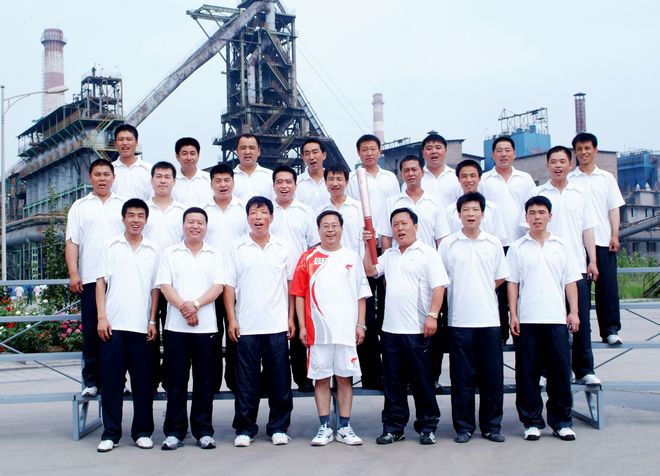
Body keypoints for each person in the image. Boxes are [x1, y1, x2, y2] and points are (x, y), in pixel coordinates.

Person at [363, 208, 448, 445]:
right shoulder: (389, 255)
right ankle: (394, 427)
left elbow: (439, 286)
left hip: (418, 330)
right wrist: (368, 245)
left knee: (422, 382)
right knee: (393, 383)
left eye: (404, 223)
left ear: (416, 227)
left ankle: (427, 426)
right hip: (391, 330)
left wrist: (432, 315)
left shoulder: (427, 253)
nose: (400, 228)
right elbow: (370, 270)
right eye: (395, 225)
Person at [290, 210, 372, 446]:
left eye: (334, 225)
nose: (330, 230)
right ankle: (325, 426)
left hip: (346, 330)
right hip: (318, 332)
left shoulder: (352, 257)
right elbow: (299, 294)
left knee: (345, 378)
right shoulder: (308, 258)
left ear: (342, 229)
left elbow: (361, 295)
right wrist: (302, 326)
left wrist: (361, 324)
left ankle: (344, 427)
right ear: (318, 230)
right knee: (322, 379)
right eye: (325, 226)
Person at [507, 195, 582, 442]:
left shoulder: (561, 246)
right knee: (527, 373)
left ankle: (561, 422)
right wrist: (514, 314)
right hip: (527, 320)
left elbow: (570, 281)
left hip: (556, 319)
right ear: (526, 217)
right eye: (532, 213)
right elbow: (513, 283)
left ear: (550, 216)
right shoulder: (518, 247)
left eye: (541, 212)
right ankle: (531, 422)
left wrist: (573, 311)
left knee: (559, 373)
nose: (537, 217)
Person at [225, 196, 295, 447]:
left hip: (276, 325)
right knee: (246, 381)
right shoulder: (236, 247)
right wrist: (232, 318)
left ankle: (278, 427)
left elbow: (290, 285)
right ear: (247, 218)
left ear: (271, 218)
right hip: (247, 325)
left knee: (280, 380)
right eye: (253, 213)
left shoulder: (283, 246)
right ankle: (245, 428)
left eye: (263, 212)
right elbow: (229, 286)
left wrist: (290, 317)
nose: (258, 217)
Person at [439, 192, 508, 444]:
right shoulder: (448, 244)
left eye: (475, 210)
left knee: (492, 377)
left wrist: (481, 288)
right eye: (466, 210)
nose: (470, 214)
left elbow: (500, 276)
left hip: (489, 320)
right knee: (462, 378)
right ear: (458, 214)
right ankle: (464, 427)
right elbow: (441, 279)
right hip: (459, 320)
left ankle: (491, 426)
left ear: (482, 213)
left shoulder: (493, 243)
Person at [157, 207, 224, 451]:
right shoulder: (170, 253)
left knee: (204, 382)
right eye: (190, 222)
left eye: (199, 222)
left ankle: (203, 431)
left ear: (206, 227)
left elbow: (218, 286)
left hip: (206, 328)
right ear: (183, 225)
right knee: (176, 381)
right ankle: (174, 432)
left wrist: (194, 305)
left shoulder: (215, 254)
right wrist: (185, 308)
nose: (195, 226)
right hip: (176, 327)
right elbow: (165, 286)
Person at [532, 145, 601, 385]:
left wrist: (592, 260)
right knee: (547, 323)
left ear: (570, 165)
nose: (558, 166)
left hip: (576, 267)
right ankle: (545, 371)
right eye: (553, 162)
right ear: (547, 165)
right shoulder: (539, 194)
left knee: (580, 319)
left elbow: (587, 230)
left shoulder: (581, 193)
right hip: (547, 269)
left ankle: (584, 369)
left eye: (562, 161)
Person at [95, 198, 159, 453]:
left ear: (146, 220)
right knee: (111, 382)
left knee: (143, 382)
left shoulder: (153, 249)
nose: (135, 220)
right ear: (123, 218)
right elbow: (101, 283)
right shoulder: (110, 246)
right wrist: (102, 316)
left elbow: (155, 289)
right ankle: (110, 433)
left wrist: (152, 319)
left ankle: (142, 432)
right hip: (113, 325)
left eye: (140, 216)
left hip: (141, 327)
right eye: (131, 215)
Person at [65, 158, 125, 397]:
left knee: (118, 333)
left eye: (106, 174)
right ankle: (91, 381)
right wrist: (73, 273)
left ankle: (117, 381)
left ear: (113, 178)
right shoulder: (80, 206)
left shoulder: (122, 205)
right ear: (90, 178)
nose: (102, 179)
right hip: (90, 277)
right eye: (97, 174)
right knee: (91, 330)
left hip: (119, 280)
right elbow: (72, 242)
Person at [347, 134, 399, 390]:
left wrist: (388, 244)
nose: (369, 153)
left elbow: (395, 213)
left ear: (380, 152)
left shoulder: (390, 178)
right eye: (364, 150)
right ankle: (371, 374)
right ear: (358, 153)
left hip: (386, 246)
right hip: (363, 250)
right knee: (365, 310)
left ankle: (393, 372)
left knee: (388, 309)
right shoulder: (353, 179)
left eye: (373, 149)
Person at [569, 132, 625, 345]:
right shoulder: (570, 179)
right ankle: (578, 332)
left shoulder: (606, 178)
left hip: (603, 241)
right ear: (575, 152)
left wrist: (614, 234)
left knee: (607, 288)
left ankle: (610, 330)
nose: (583, 152)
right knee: (578, 290)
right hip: (577, 244)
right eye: (579, 149)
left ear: (595, 150)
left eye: (587, 148)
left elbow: (613, 208)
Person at [480, 136, 536, 344]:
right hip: (495, 245)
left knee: (522, 289)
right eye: (499, 150)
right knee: (498, 291)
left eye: (507, 150)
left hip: (520, 242)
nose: (503, 154)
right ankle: (501, 335)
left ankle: (522, 333)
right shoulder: (484, 180)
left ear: (514, 153)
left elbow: (532, 208)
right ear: (492, 155)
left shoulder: (525, 179)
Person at [270, 165, 320, 392]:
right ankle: (273, 379)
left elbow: (313, 245)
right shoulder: (267, 212)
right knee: (275, 330)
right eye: (279, 182)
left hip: (300, 278)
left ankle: (303, 378)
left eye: (288, 182)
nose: (284, 186)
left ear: (295, 185)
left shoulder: (305, 212)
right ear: (273, 186)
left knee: (301, 328)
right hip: (273, 279)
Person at [203, 163, 248, 392]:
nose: (223, 185)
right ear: (211, 184)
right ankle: (212, 382)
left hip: (237, 282)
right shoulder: (203, 211)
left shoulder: (243, 209)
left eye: (226, 180)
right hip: (210, 283)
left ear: (233, 182)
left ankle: (234, 380)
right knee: (212, 333)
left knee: (235, 333)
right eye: (218, 181)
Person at [143, 161, 185, 392]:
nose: (162, 180)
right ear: (151, 180)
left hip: (173, 284)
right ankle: (149, 380)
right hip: (147, 281)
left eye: (167, 177)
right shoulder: (143, 210)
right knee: (148, 332)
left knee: (172, 335)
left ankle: (170, 380)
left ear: (174, 181)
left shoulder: (182, 211)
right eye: (158, 176)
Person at [381, 155, 449, 250]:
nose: (410, 174)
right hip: (400, 257)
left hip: (427, 257)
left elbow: (441, 238)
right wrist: (386, 258)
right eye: (406, 171)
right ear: (401, 175)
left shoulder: (435, 203)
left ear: (422, 172)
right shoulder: (391, 203)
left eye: (414, 169)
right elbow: (386, 238)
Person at [446, 159, 507, 242]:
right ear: (459, 179)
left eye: (472, 176)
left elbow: (498, 240)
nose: (468, 180)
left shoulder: (492, 208)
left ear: (479, 178)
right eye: (464, 176)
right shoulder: (450, 210)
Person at [317, 163, 364, 253]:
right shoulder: (320, 211)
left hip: (354, 259)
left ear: (346, 182)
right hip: (329, 260)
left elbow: (369, 239)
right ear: (325, 182)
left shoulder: (359, 208)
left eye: (339, 179)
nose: (335, 183)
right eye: (331, 179)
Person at [404, 132, 461, 207]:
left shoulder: (456, 177)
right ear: (423, 153)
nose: (434, 151)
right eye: (429, 148)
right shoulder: (413, 179)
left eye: (438, 148)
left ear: (445, 151)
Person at [111, 124, 152, 201]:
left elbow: (153, 198)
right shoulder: (110, 170)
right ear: (115, 143)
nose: (125, 143)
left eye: (129, 139)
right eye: (120, 139)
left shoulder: (148, 169)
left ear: (136, 142)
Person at [172, 137, 213, 208]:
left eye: (192, 153)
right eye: (184, 154)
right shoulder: (171, 182)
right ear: (177, 156)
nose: (189, 158)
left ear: (198, 155)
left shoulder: (210, 179)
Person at [232, 133, 273, 201]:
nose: (247, 152)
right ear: (237, 151)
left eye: (252, 148)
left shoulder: (270, 176)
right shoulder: (229, 178)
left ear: (259, 151)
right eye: (243, 148)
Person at [296, 138, 330, 210]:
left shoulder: (333, 182)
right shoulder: (296, 183)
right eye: (307, 154)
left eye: (315, 152)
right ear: (303, 158)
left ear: (324, 155)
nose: (311, 157)